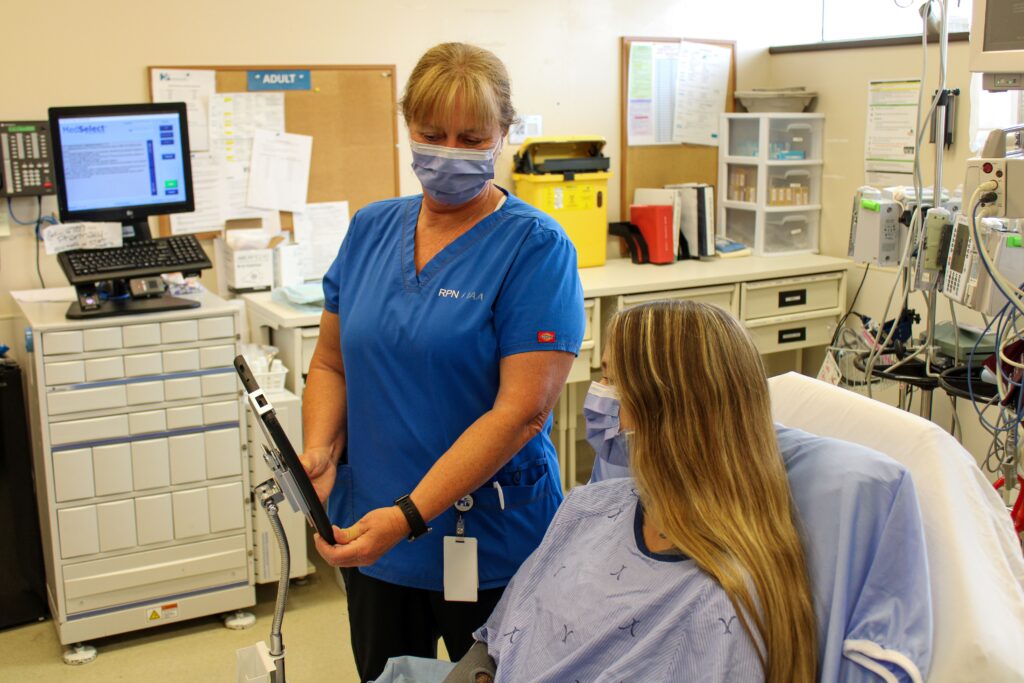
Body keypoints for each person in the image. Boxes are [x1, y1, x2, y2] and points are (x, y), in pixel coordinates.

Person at [300, 42, 585, 682]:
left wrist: (409, 515)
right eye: (432, 135)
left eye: (470, 136)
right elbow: (331, 364)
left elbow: (521, 413)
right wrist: (319, 449)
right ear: (407, 129)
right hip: (370, 532)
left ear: (503, 135)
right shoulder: (372, 228)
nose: (449, 152)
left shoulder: (536, 248)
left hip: (485, 538)